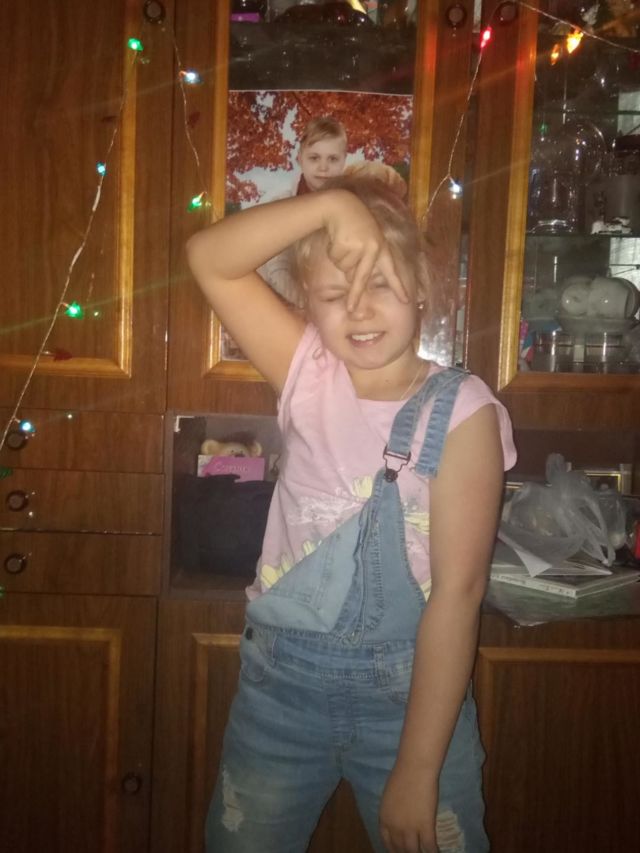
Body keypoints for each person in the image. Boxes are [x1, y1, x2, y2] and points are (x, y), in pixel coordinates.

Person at [186, 173, 517, 853]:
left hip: (412, 702)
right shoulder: (306, 370)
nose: (359, 310)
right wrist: (333, 206)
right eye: (335, 295)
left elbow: (458, 594)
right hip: (278, 691)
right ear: (309, 304)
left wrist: (418, 768)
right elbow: (208, 257)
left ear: (420, 288)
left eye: (382, 285)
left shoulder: (464, 410)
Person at [258, 116, 348, 305]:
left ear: (343, 161)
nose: (323, 167)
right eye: (314, 158)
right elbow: (278, 270)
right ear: (300, 158)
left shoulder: (351, 207)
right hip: (284, 303)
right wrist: (308, 310)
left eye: (333, 159)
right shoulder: (281, 206)